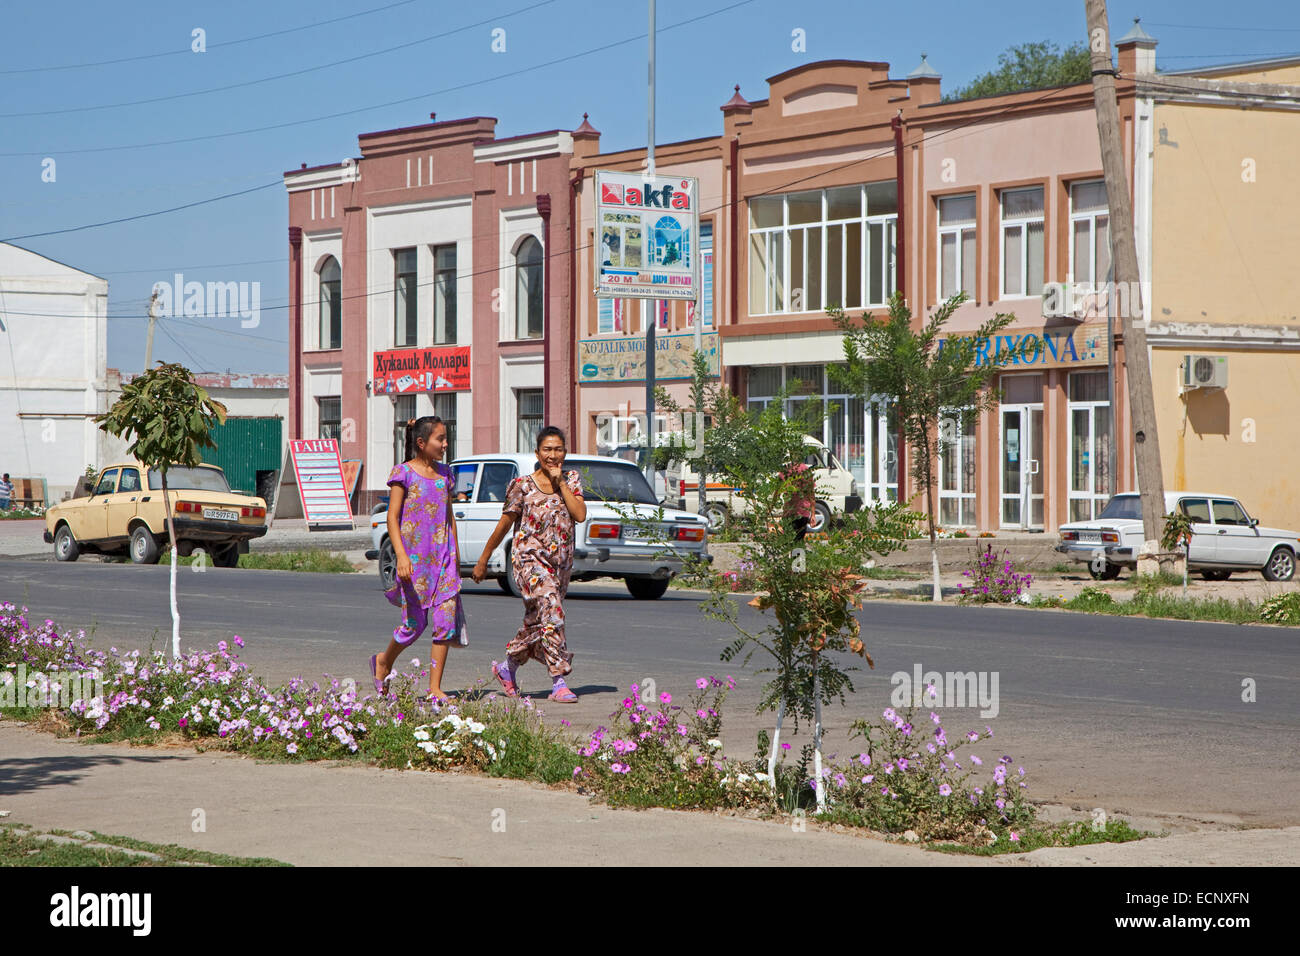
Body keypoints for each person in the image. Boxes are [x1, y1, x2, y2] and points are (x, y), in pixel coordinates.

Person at [473, 426, 586, 702]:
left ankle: (507, 667)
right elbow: (504, 525)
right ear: (537, 453)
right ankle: (558, 680)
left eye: (558, 449)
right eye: (547, 449)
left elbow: (580, 515)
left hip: (560, 564)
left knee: (540, 621)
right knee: (552, 607)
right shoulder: (522, 485)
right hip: (528, 561)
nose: (553, 454)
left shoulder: (571, 480)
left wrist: (560, 483)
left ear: (565, 452)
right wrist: (483, 559)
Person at [369, 416, 465, 705]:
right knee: (414, 625)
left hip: (444, 560)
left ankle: (435, 687)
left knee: (445, 622)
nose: (445, 444)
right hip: (413, 562)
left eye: (446, 438)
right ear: (421, 443)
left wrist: (457, 555)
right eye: (440, 439)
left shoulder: (446, 474)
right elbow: (391, 517)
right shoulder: (403, 473)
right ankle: (383, 661)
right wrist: (400, 555)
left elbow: (448, 517)